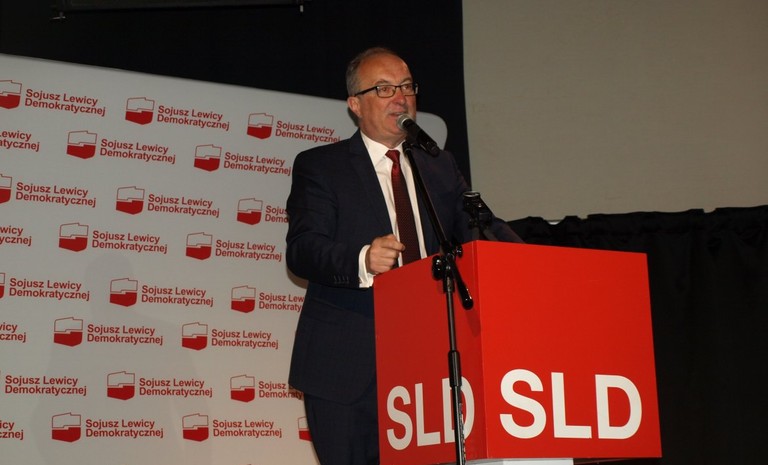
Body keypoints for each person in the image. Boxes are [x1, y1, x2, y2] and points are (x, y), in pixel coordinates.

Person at [286, 47, 522, 465]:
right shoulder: (322, 166)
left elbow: (479, 227)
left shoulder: (438, 165)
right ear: (355, 104)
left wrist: (530, 262)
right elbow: (303, 250)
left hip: (429, 360)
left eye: (407, 87)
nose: (401, 98)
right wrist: (362, 259)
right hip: (349, 366)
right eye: (384, 89)